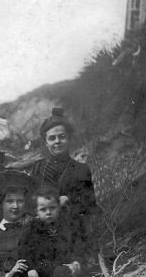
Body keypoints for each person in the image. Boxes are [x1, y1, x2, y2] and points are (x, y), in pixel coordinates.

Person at [28, 108, 98, 259]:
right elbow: (29, 202)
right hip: (43, 231)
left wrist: (69, 200)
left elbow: (90, 205)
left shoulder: (81, 169)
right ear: (46, 143)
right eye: (52, 138)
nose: (57, 141)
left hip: (72, 230)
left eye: (62, 137)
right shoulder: (38, 168)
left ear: (69, 138)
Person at [17, 186, 84, 277]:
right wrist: (30, 268)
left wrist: (76, 261)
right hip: (41, 268)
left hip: (64, 265)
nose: (48, 212)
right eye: (43, 209)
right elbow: (23, 249)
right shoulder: (32, 227)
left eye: (52, 208)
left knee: (64, 272)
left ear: (58, 208)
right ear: (36, 212)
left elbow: (75, 244)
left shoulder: (65, 224)